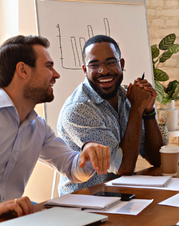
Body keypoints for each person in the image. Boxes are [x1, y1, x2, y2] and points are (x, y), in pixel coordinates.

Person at [0, 35, 110, 217]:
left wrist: (88, 152)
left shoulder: (38, 127)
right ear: (23, 70)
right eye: (49, 66)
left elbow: (73, 168)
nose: (56, 74)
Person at [57, 35, 164, 195]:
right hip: (84, 203)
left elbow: (157, 159)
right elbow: (123, 167)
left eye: (110, 62)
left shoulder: (126, 96)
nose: (104, 70)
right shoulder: (78, 109)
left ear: (121, 64)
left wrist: (148, 111)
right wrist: (137, 107)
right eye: (94, 65)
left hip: (119, 196)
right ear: (85, 70)